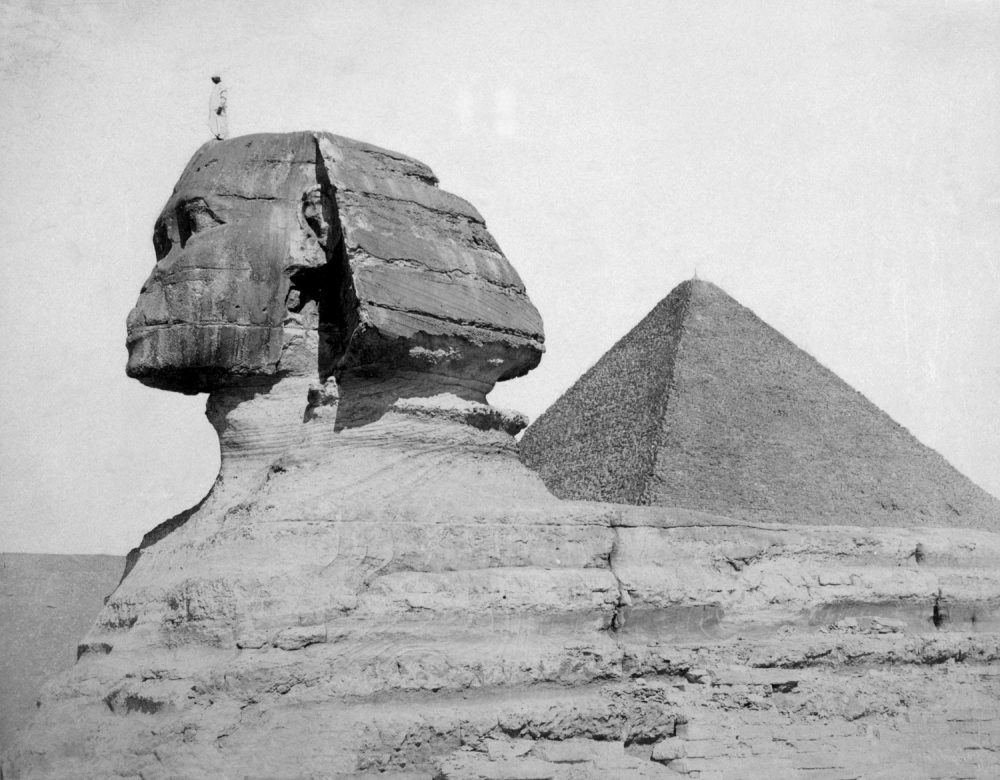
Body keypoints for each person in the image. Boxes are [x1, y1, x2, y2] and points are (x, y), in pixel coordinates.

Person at [209, 76, 228, 140]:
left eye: (213, 78)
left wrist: (220, 106)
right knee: (214, 122)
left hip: (219, 108)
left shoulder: (222, 85)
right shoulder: (217, 86)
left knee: (221, 121)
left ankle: (222, 135)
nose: (212, 80)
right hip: (214, 108)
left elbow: (224, 96)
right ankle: (218, 135)